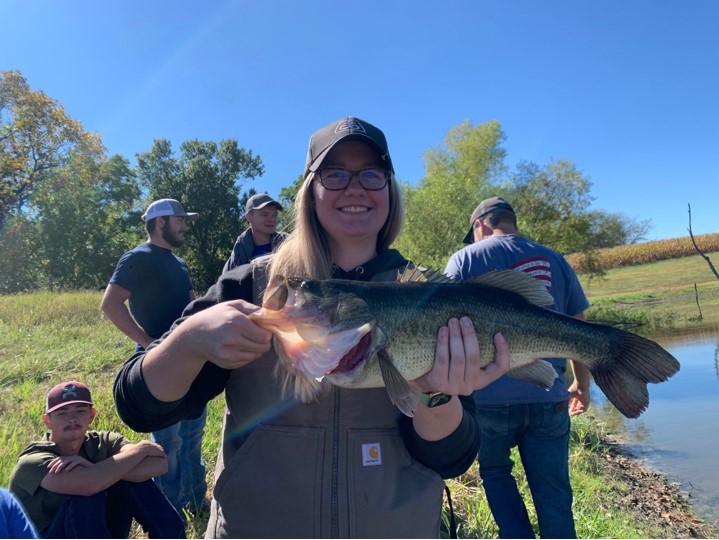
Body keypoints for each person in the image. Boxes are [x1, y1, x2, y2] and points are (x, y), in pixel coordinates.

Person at [113, 116, 512, 538]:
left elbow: (451, 459)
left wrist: (436, 395)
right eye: (334, 174)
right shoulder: (250, 285)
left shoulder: (430, 295)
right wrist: (188, 342)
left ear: (390, 192)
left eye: (371, 174)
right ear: (311, 192)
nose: (354, 187)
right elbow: (138, 406)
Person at [444, 196, 592, 539]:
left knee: (495, 473)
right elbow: (578, 326)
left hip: (487, 400)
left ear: (480, 225)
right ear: (511, 222)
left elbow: (443, 318)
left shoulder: (464, 259)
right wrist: (581, 386)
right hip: (548, 394)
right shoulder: (554, 259)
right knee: (553, 491)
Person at [100, 198, 208, 517]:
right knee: (167, 441)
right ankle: (169, 511)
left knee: (192, 433)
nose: (185, 225)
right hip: (158, 364)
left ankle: (195, 499)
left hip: (191, 359)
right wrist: (147, 343)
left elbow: (193, 308)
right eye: (180, 220)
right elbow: (111, 304)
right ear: (160, 222)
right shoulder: (138, 257)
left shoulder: (180, 264)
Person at [8, 381, 185, 539]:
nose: (72, 419)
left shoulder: (102, 442)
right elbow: (88, 485)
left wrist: (97, 470)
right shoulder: (32, 460)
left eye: (80, 411)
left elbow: (159, 464)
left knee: (130, 480)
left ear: (91, 415)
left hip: (94, 531)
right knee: (87, 493)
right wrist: (142, 448)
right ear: (48, 421)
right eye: (62, 414)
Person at [221, 192, 289, 272]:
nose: (272, 220)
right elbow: (226, 279)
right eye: (265, 214)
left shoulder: (288, 243)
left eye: (275, 215)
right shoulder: (240, 249)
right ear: (249, 217)